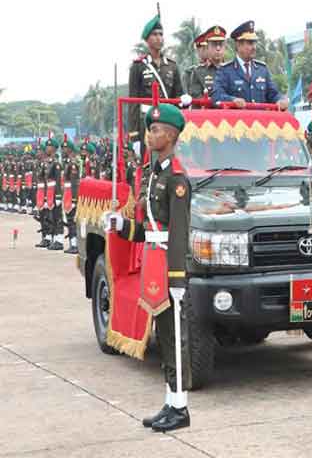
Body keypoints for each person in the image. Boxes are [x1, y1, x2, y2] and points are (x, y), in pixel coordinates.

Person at [105, 103, 192, 431]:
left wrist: (179, 277)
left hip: (170, 265)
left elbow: (180, 231)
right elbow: (147, 229)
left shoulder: (177, 178)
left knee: (176, 337)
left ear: (170, 136)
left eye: (156, 131)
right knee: (165, 336)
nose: (150, 135)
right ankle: (170, 401)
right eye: (150, 129)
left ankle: (181, 408)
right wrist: (121, 226)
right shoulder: (156, 172)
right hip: (155, 261)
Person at [128, 14, 186, 156]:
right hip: (147, 123)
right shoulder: (138, 66)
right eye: (154, 34)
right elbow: (133, 103)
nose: (159, 38)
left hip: (168, 122)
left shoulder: (171, 66)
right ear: (147, 39)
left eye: (161, 34)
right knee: (148, 164)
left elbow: (178, 95)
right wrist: (134, 135)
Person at [212, 20, 289, 110]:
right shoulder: (225, 70)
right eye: (249, 43)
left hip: (261, 122)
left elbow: (273, 94)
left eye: (254, 43)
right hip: (237, 122)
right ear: (238, 45)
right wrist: (232, 100)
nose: (254, 47)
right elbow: (216, 96)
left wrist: (280, 100)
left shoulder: (262, 69)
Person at [187, 26, 227, 99]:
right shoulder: (198, 72)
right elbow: (196, 101)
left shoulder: (232, 70)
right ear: (207, 48)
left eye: (221, 44)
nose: (218, 48)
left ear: (225, 47)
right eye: (214, 45)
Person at [61, 136, 81, 254]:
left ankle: (75, 245)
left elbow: (74, 183)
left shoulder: (73, 163)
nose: (63, 150)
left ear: (70, 149)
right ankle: (72, 243)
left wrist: (74, 199)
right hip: (67, 193)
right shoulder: (67, 162)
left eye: (65, 148)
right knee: (69, 219)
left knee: (73, 220)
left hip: (72, 193)